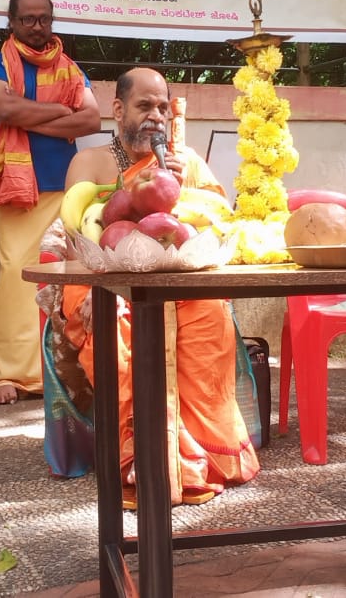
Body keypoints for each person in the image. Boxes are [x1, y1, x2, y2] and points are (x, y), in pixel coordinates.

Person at [57, 66, 260, 506]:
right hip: (105, 280)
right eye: (144, 106)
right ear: (118, 109)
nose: (155, 116)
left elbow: (215, 229)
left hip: (180, 280)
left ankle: (200, 457)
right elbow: (75, 241)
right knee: (114, 333)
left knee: (210, 321)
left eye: (163, 108)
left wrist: (181, 184)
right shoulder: (89, 162)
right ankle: (143, 460)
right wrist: (94, 290)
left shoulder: (189, 163)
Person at [0, 0, 101, 405]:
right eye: (27, 19)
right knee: (15, 275)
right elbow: (4, 109)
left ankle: (57, 368)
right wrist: (59, 112)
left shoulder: (68, 68)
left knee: (59, 280)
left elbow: (91, 119)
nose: (36, 27)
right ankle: (9, 374)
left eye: (43, 18)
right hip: (16, 188)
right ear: (11, 22)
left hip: (63, 186)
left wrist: (31, 113)